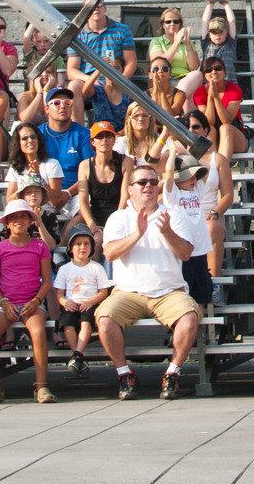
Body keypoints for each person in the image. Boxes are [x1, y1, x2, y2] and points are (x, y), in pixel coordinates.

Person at [98, 163, 202, 400]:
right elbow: (110, 253)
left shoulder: (174, 213)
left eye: (153, 182)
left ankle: (172, 373)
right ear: (131, 190)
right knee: (105, 319)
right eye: (142, 183)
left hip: (168, 291)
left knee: (189, 317)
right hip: (128, 292)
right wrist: (137, 234)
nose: (148, 187)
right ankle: (124, 374)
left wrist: (167, 232)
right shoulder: (119, 217)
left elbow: (186, 253)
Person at [0, 198, 55, 404]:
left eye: (23, 216)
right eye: (14, 217)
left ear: (31, 220)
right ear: (6, 222)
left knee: (39, 333)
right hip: (6, 304)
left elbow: (47, 281)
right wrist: (4, 303)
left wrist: (36, 301)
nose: (19, 220)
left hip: (33, 302)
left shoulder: (40, 246)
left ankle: (41, 387)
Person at [161, 142, 232, 306]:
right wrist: (173, 153)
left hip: (199, 251)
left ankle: (200, 330)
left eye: (194, 176)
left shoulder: (197, 190)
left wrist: (188, 154)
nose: (193, 179)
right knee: (185, 296)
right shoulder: (172, 195)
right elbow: (170, 173)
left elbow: (205, 173)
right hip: (182, 252)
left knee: (201, 295)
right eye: (188, 176)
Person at [52, 229, 110, 376]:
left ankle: (76, 355)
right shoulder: (65, 269)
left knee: (86, 323)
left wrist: (91, 302)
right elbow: (59, 294)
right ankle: (77, 356)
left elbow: (104, 292)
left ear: (91, 248)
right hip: (71, 304)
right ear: (71, 249)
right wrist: (65, 302)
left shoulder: (96, 267)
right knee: (68, 326)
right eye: (78, 244)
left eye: (86, 244)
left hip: (89, 304)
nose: (82, 247)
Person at [75, 122, 130, 235]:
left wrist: (116, 222)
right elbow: (83, 201)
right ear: (92, 141)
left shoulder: (126, 161)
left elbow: (125, 196)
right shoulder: (85, 166)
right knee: (72, 229)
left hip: (121, 213)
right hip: (95, 214)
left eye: (108, 136)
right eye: (100, 136)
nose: (104, 140)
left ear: (114, 140)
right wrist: (92, 224)